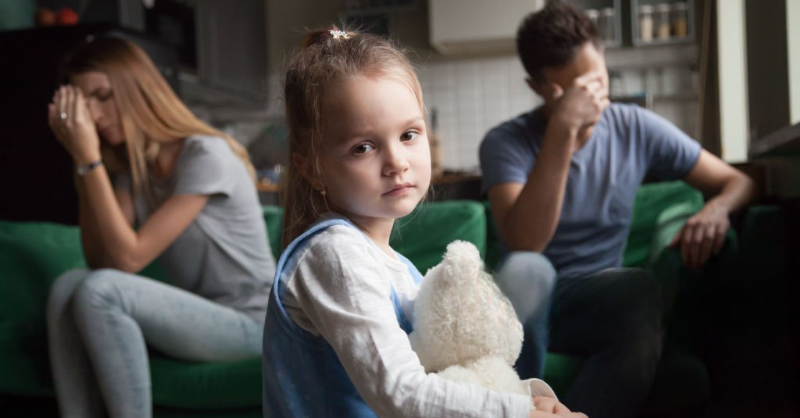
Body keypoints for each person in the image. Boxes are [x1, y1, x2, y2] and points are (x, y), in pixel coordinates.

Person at [261, 28, 585, 418]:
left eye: (409, 134)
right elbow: (401, 394)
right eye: (363, 147)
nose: (397, 162)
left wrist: (529, 399)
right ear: (312, 168)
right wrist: (520, 412)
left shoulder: (399, 269)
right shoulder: (335, 255)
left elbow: (443, 381)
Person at [479, 3, 757, 418]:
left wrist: (717, 209)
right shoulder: (505, 142)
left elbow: (739, 182)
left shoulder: (634, 127)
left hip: (596, 301)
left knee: (639, 287)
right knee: (526, 267)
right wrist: (562, 131)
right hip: (526, 306)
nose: (590, 102)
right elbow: (526, 242)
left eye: (596, 83)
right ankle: (520, 409)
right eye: (572, 93)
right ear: (537, 87)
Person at [45, 37, 276, 418]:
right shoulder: (133, 174)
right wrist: (81, 159)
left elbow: (129, 259)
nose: (95, 115)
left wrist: (89, 159)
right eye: (85, 104)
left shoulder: (205, 154)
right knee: (67, 286)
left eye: (103, 96)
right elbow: (102, 260)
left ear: (137, 89)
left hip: (254, 324)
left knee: (101, 291)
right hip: (202, 318)